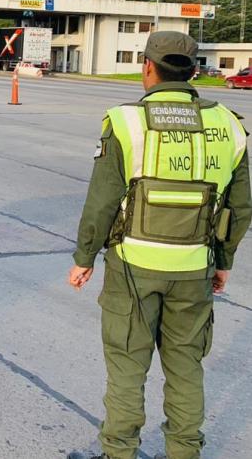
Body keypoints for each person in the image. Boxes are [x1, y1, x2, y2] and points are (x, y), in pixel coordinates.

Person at [67, 31, 251, 459]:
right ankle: (185, 452)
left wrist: (84, 257)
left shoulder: (125, 121)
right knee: (186, 365)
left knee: (128, 366)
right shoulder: (228, 123)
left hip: (134, 267)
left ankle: (119, 452)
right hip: (195, 268)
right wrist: (224, 262)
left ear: (148, 67)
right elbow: (240, 207)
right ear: (194, 71)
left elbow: (101, 201)